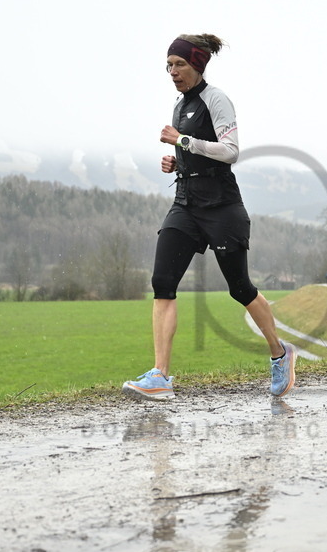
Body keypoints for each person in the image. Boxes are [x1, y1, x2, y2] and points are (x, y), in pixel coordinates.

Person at [122, 33, 296, 401]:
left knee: (240, 288)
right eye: (168, 66)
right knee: (162, 281)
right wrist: (176, 163)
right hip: (185, 204)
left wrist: (182, 142)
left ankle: (280, 353)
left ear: (197, 65)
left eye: (179, 64)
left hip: (221, 206)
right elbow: (193, 151)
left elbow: (230, 152)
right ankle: (160, 376)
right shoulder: (179, 105)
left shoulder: (216, 100)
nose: (172, 72)